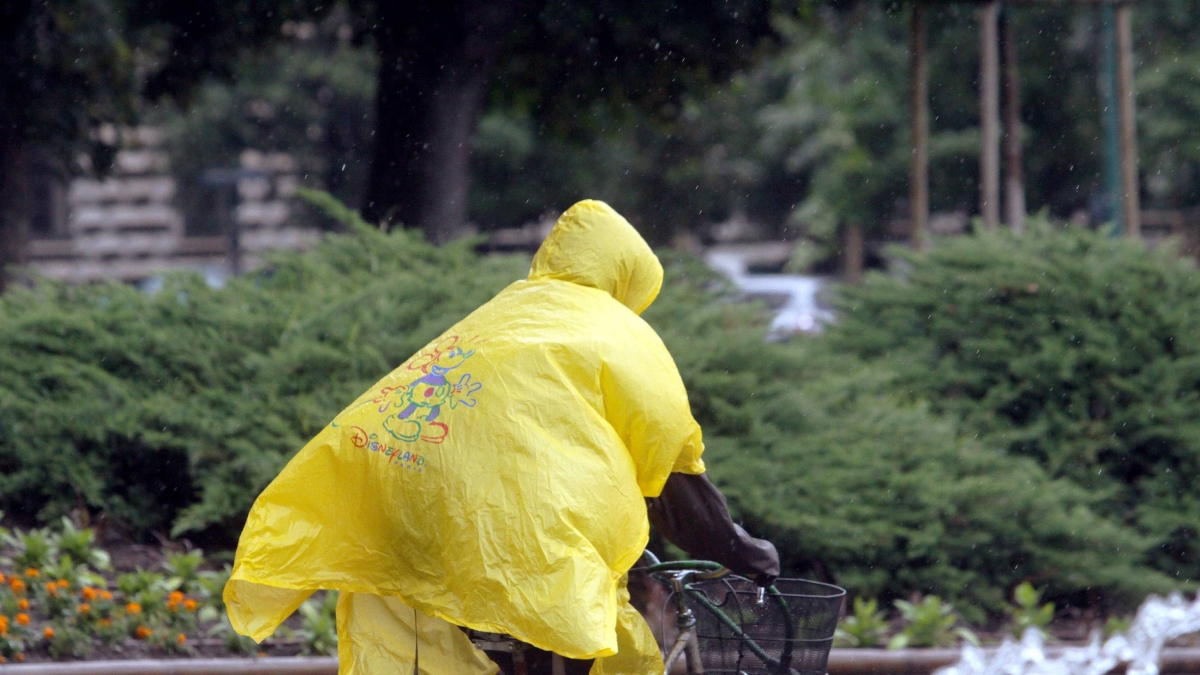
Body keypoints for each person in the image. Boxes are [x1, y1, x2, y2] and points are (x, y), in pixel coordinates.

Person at [224, 200, 779, 675]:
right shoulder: (621, 331)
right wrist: (739, 549)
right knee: (560, 623)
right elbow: (675, 479)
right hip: (522, 531)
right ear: (628, 280)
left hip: (405, 511)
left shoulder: (501, 312)